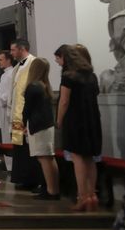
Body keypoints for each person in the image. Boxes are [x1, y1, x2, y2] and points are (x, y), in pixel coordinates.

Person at [55, 44, 103, 212]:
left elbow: (64, 101)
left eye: (59, 59)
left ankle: (82, 197)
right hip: (92, 119)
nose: (58, 63)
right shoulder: (92, 76)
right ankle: (92, 196)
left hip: (75, 119)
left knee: (78, 158)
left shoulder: (69, 76)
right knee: (90, 157)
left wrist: (59, 120)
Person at [22, 58, 60, 200]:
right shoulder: (44, 85)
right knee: (47, 158)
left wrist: (23, 123)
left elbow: (27, 109)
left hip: (39, 126)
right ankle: (51, 188)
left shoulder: (33, 86)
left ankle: (51, 191)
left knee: (44, 158)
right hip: (46, 125)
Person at [10, 38, 43, 191]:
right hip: (17, 112)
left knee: (30, 148)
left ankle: (34, 179)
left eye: (13, 50)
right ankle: (24, 178)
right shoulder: (17, 67)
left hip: (28, 112)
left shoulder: (34, 64)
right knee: (20, 147)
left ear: (22, 49)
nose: (11, 53)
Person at [0, 50, 16, 170]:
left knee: (9, 138)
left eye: (1, 59)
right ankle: (9, 166)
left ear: (8, 60)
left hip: (9, 110)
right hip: (3, 109)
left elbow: (8, 94)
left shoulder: (11, 74)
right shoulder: (4, 75)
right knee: (5, 137)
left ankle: (13, 166)